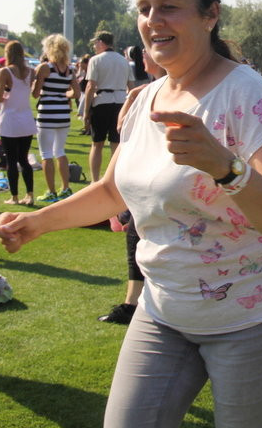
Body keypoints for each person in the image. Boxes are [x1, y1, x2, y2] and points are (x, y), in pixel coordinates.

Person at [0, 0, 262, 428]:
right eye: (144, 8)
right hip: (163, 309)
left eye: (168, 6)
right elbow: (111, 191)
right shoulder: (146, 99)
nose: (152, 19)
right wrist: (37, 222)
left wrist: (226, 168)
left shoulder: (244, 93)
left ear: (210, 15)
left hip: (254, 315)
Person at [100, 49, 168, 325]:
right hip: (142, 180)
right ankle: (133, 301)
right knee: (136, 237)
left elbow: (122, 128)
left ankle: (136, 302)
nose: (142, 55)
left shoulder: (151, 94)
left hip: (158, 182)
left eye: (147, 51)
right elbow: (123, 131)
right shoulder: (144, 93)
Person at [32, 34, 81, 203]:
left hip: (47, 114)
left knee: (46, 154)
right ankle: (65, 188)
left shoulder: (45, 67)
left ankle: (51, 191)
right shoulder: (70, 70)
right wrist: (62, 93)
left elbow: (35, 93)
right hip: (63, 114)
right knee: (60, 151)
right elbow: (76, 93)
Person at [84, 30, 134, 182]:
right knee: (116, 144)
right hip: (119, 102)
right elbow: (130, 85)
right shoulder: (123, 60)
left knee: (97, 143)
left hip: (101, 102)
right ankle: (114, 179)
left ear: (101, 42)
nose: (94, 46)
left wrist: (86, 111)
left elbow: (90, 86)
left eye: (95, 43)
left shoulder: (96, 60)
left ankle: (94, 180)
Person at [0, 40, 37, 205]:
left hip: (10, 120)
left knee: (11, 161)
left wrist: (3, 91)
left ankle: (14, 196)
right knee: (24, 159)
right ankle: (30, 194)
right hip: (26, 119)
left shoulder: (5, 71)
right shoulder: (31, 72)